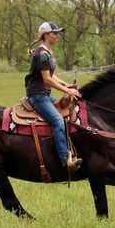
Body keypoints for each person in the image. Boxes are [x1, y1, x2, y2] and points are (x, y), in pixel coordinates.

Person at [24, 21, 83, 172]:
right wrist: (67, 91)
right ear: (46, 35)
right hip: (37, 95)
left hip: (45, 94)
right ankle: (65, 160)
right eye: (54, 33)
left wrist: (66, 85)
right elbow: (47, 79)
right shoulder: (43, 54)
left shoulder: (48, 52)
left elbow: (52, 75)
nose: (57, 36)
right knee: (57, 120)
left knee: (65, 112)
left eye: (57, 33)